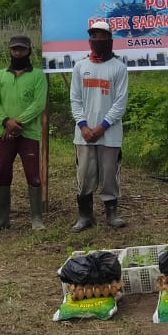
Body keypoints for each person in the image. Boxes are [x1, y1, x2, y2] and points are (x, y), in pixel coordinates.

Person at [69, 19, 129, 231]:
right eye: (94, 36)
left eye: (102, 36)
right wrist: (84, 126)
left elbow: (120, 103)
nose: (98, 40)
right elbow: (75, 100)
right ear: (90, 40)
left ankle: (112, 213)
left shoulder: (119, 68)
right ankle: (85, 215)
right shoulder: (80, 67)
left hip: (109, 133)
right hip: (83, 134)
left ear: (110, 40)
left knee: (109, 173)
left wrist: (102, 126)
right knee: (84, 174)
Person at [0, 34, 49, 231]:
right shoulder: (0, 75)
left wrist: (17, 123)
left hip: (28, 133)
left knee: (33, 175)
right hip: (2, 132)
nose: (18, 53)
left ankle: (37, 219)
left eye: (22, 49)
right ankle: (0, 218)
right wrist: (6, 122)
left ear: (29, 51)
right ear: (10, 50)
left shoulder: (38, 75)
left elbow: (39, 104)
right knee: (1, 172)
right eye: (15, 49)